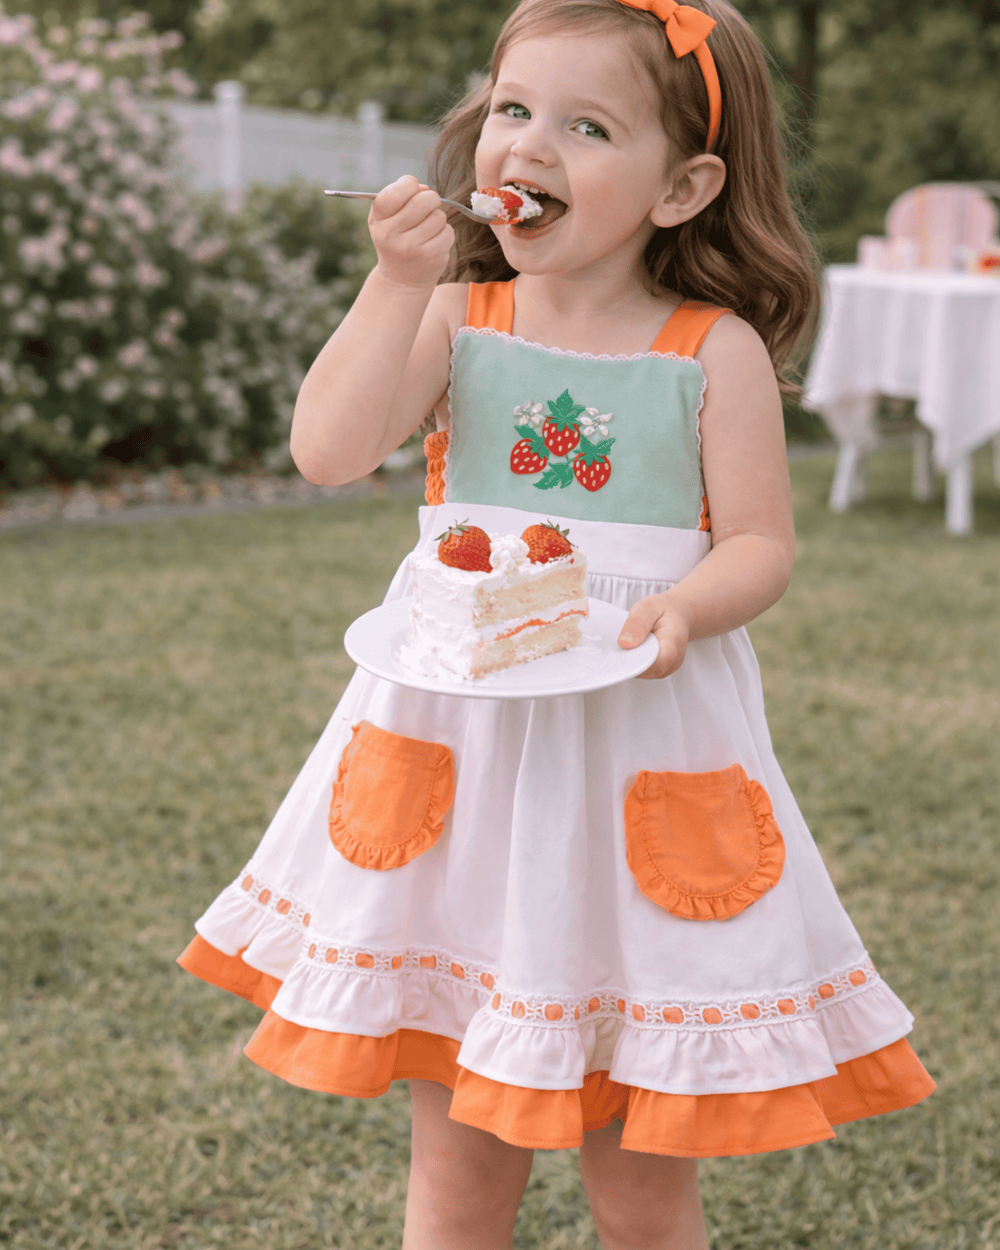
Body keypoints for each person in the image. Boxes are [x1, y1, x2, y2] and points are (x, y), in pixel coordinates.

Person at [178, 0, 935, 1244]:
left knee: (638, 1169)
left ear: (682, 186)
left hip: (634, 750)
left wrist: (690, 602)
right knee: (457, 1162)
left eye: (586, 127)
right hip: (459, 767)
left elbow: (759, 543)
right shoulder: (462, 318)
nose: (529, 147)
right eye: (514, 111)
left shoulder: (711, 351)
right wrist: (395, 280)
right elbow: (326, 450)